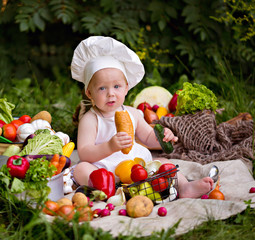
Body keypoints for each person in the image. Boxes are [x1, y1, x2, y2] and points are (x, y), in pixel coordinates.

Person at [70, 36, 213, 198]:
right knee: (82, 169)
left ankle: (185, 187)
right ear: (89, 93)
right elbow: (84, 152)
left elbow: (147, 137)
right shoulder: (90, 119)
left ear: (126, 88)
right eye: (102, 88)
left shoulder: (132, 113)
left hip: (137, 167)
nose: (111, 94)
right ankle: (105, 191)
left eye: (117, 86)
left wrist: (162, 137)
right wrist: (110, 146)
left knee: (166, 164)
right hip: (104, 170)